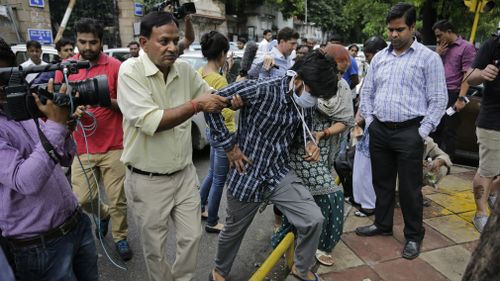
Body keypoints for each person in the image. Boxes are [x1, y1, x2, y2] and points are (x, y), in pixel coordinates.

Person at [117, 11, 234, 281]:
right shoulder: (130, 71)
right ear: (144, 43)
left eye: (175, 40)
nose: (172, 47)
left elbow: (208, 94)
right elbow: (152, 121)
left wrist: (233, 97)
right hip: (147, 180)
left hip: (183, 174)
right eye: (164, 41)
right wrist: (197, 105)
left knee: (192, 237)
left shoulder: (183, 70)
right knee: (155, 250)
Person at [206, 50, 338, 281]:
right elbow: (211, 105)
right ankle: (218, 272)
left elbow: (303, 133)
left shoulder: (305, 102)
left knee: (313, 219)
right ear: (297, 80)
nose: (314, 100)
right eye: (313, 93)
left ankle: (301, 266)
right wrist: (230, 147)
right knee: (233, 232)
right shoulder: (261, 89)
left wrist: (310, 144)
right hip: (246, 172)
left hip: (278, 173)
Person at [0, 37, 98, 281]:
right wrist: (55, 125)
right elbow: (25, 181)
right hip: (39, 246)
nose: (6, 85)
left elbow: (63, 158)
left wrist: (63, 125)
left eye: (7, 76)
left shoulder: (19, 108)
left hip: (76, 225)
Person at [356, 3, 447, 260]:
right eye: (390, 30)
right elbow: (368, 93)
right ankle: (383, 225)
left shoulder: (428, 59)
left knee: (409, 189)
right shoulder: (381, 58)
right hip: (381, 131)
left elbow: (439, 99)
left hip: (410, 131)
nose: (394, 35)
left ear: (412, 27)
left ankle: (413, 236)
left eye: (399, 30)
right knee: (382, 184)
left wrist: (422, 132)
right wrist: (371, 122)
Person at [54, 18, 133, 261]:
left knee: (119, 199)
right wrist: (71, 111)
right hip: (82, 146)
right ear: (76, 40)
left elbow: (130, 105)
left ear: (101, 42)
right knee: (82, 199)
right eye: (82, 42)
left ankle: (120, 237)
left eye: (93, 42)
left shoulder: (116, 67)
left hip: (113, 145)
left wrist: (103, 100)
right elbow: (57, 105)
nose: (87, 47)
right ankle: (103, 214)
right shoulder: (65, 68)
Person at [272, 44, 353, 267]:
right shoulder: (304, 83)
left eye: (341, 73)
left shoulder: (342, 88)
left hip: (322, 147)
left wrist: (322, 134)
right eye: (335, 71)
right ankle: (290, 241)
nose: (336, 77)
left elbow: (345, 120)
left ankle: (313, 244)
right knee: (326, 194)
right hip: (298, 149)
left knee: (314, 198)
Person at [198, 31, 235, 233]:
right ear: (222, 53)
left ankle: (200, 208)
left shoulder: (201, 73)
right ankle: (212, 221)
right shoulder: (219, 81)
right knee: (219, 179)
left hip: (211, 130)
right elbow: (228, 113)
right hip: (224, 133)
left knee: (212, 174)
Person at [465, 32, 500, 232]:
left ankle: (493, 193)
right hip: (493, 121)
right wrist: (482, 73)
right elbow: (469, 77)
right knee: (487, 171)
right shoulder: (492, 45)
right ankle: (480, 212)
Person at [430, 20, 476, 161]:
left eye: (440, 35)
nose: (438, 39)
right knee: (434, 128)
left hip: (452, 94)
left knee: (449, 131)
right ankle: (431, 162)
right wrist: (437, 54)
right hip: (436, 93)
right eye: (436, 37)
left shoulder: (466, 47)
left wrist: (461, 98)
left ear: (449, 32)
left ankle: (446, 163)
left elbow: (467, 75)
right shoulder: (440, 48)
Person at [352, 36, 387, 215]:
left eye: (369, 55)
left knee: (368, 168)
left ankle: (368, 204)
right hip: (364, 125)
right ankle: (362, 200)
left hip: (373, 126)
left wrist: (362, 119)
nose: (367, 59)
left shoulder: (384, 72)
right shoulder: (372, 70)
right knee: (362, 165)